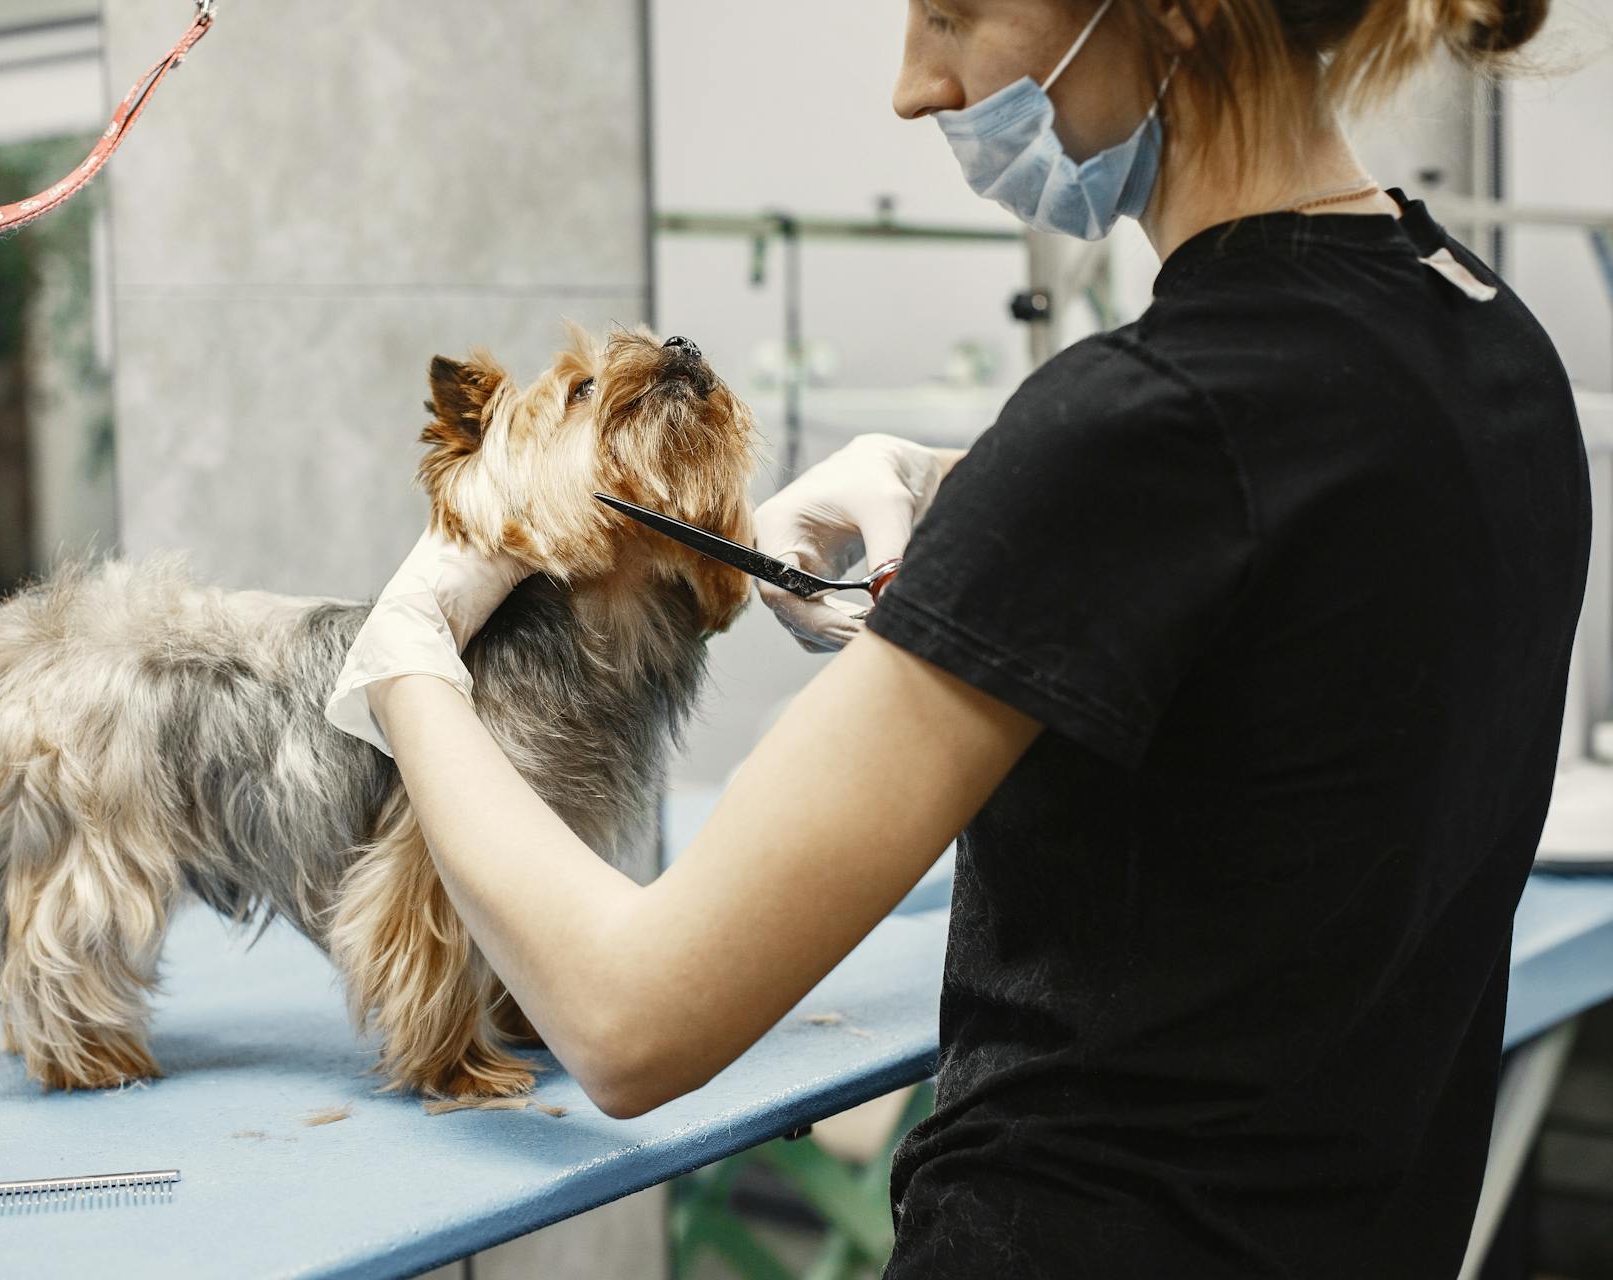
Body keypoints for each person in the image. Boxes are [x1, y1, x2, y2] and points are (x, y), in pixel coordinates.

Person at [325, 0, 1585, 1272]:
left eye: (954, 15)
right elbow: (1273, 513)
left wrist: (412, 657)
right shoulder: (1488, 340)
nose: (916, 86)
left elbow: (628, 1016)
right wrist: (954, 486)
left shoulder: (1141, 429)